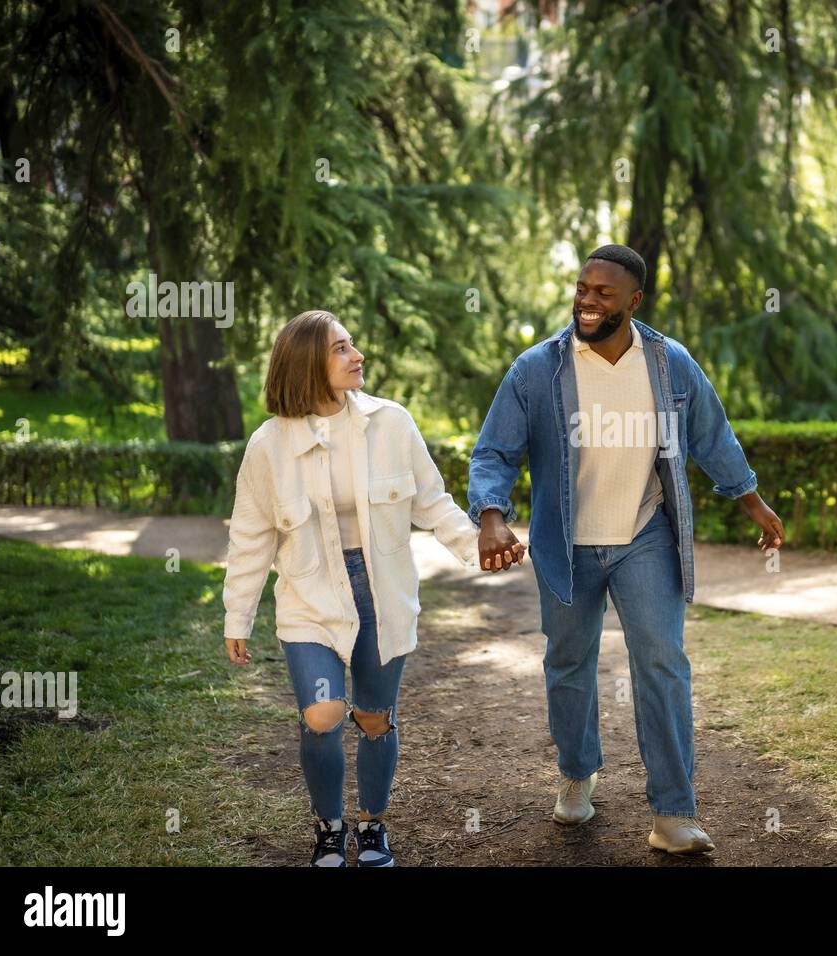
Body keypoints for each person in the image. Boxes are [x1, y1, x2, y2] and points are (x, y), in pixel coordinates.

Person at [468, 243, 785, 854]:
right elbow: (494, 452)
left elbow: (711, 435)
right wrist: (491, 514)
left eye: (602, 293)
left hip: (645, 536)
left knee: (663, 662)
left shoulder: (668, 364)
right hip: (567, 545)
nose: (587, 301)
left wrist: (751, 500)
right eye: (582, 289)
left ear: (634, 301)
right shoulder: (538, 369)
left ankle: (673, 812)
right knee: (568, 664)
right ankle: (577, 772)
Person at [222, 309, 478, 866]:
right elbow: (250, 534)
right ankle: (329, 826)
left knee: (373, 718)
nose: (357, 355)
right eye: (341, 348)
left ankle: (371, 826)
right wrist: (237, 615)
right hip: (310, 596)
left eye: (352, 344)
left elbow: (431, 501)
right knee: (323, 714)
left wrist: (476, 547)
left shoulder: (390, 423)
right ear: (308, 363)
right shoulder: (268, 446)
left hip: (380, 592)